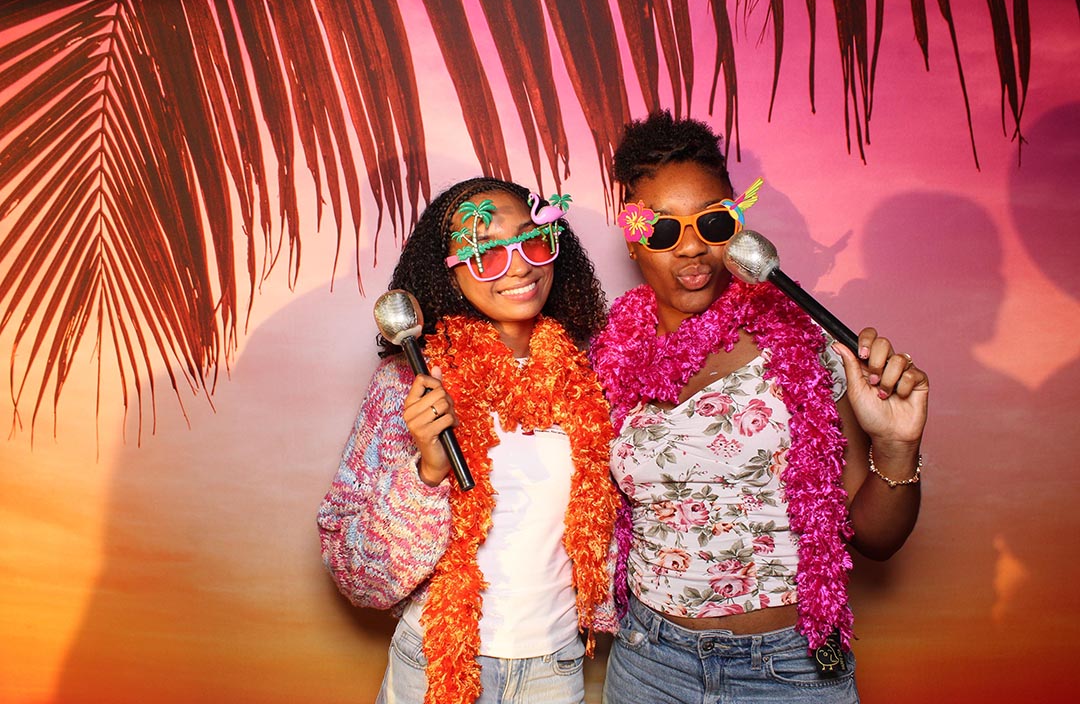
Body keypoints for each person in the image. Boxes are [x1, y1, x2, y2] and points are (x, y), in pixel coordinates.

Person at [590, 111, 929, 703]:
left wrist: (897, 446)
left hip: (788, 670)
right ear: (633, 237)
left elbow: (876, 540)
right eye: (664, 229)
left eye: (713, 221)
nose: (692, 247)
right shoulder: (608, 357)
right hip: (649, 663)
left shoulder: (804, 345)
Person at [317, 177, 620, 704]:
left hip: (554, 668)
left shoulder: (592, 375)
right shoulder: (408, 384)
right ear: (450, 274)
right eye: (484, 253)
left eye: (532, 240)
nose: (519, 266)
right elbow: (356, 574)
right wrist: (427, 471)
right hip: (433, 664)